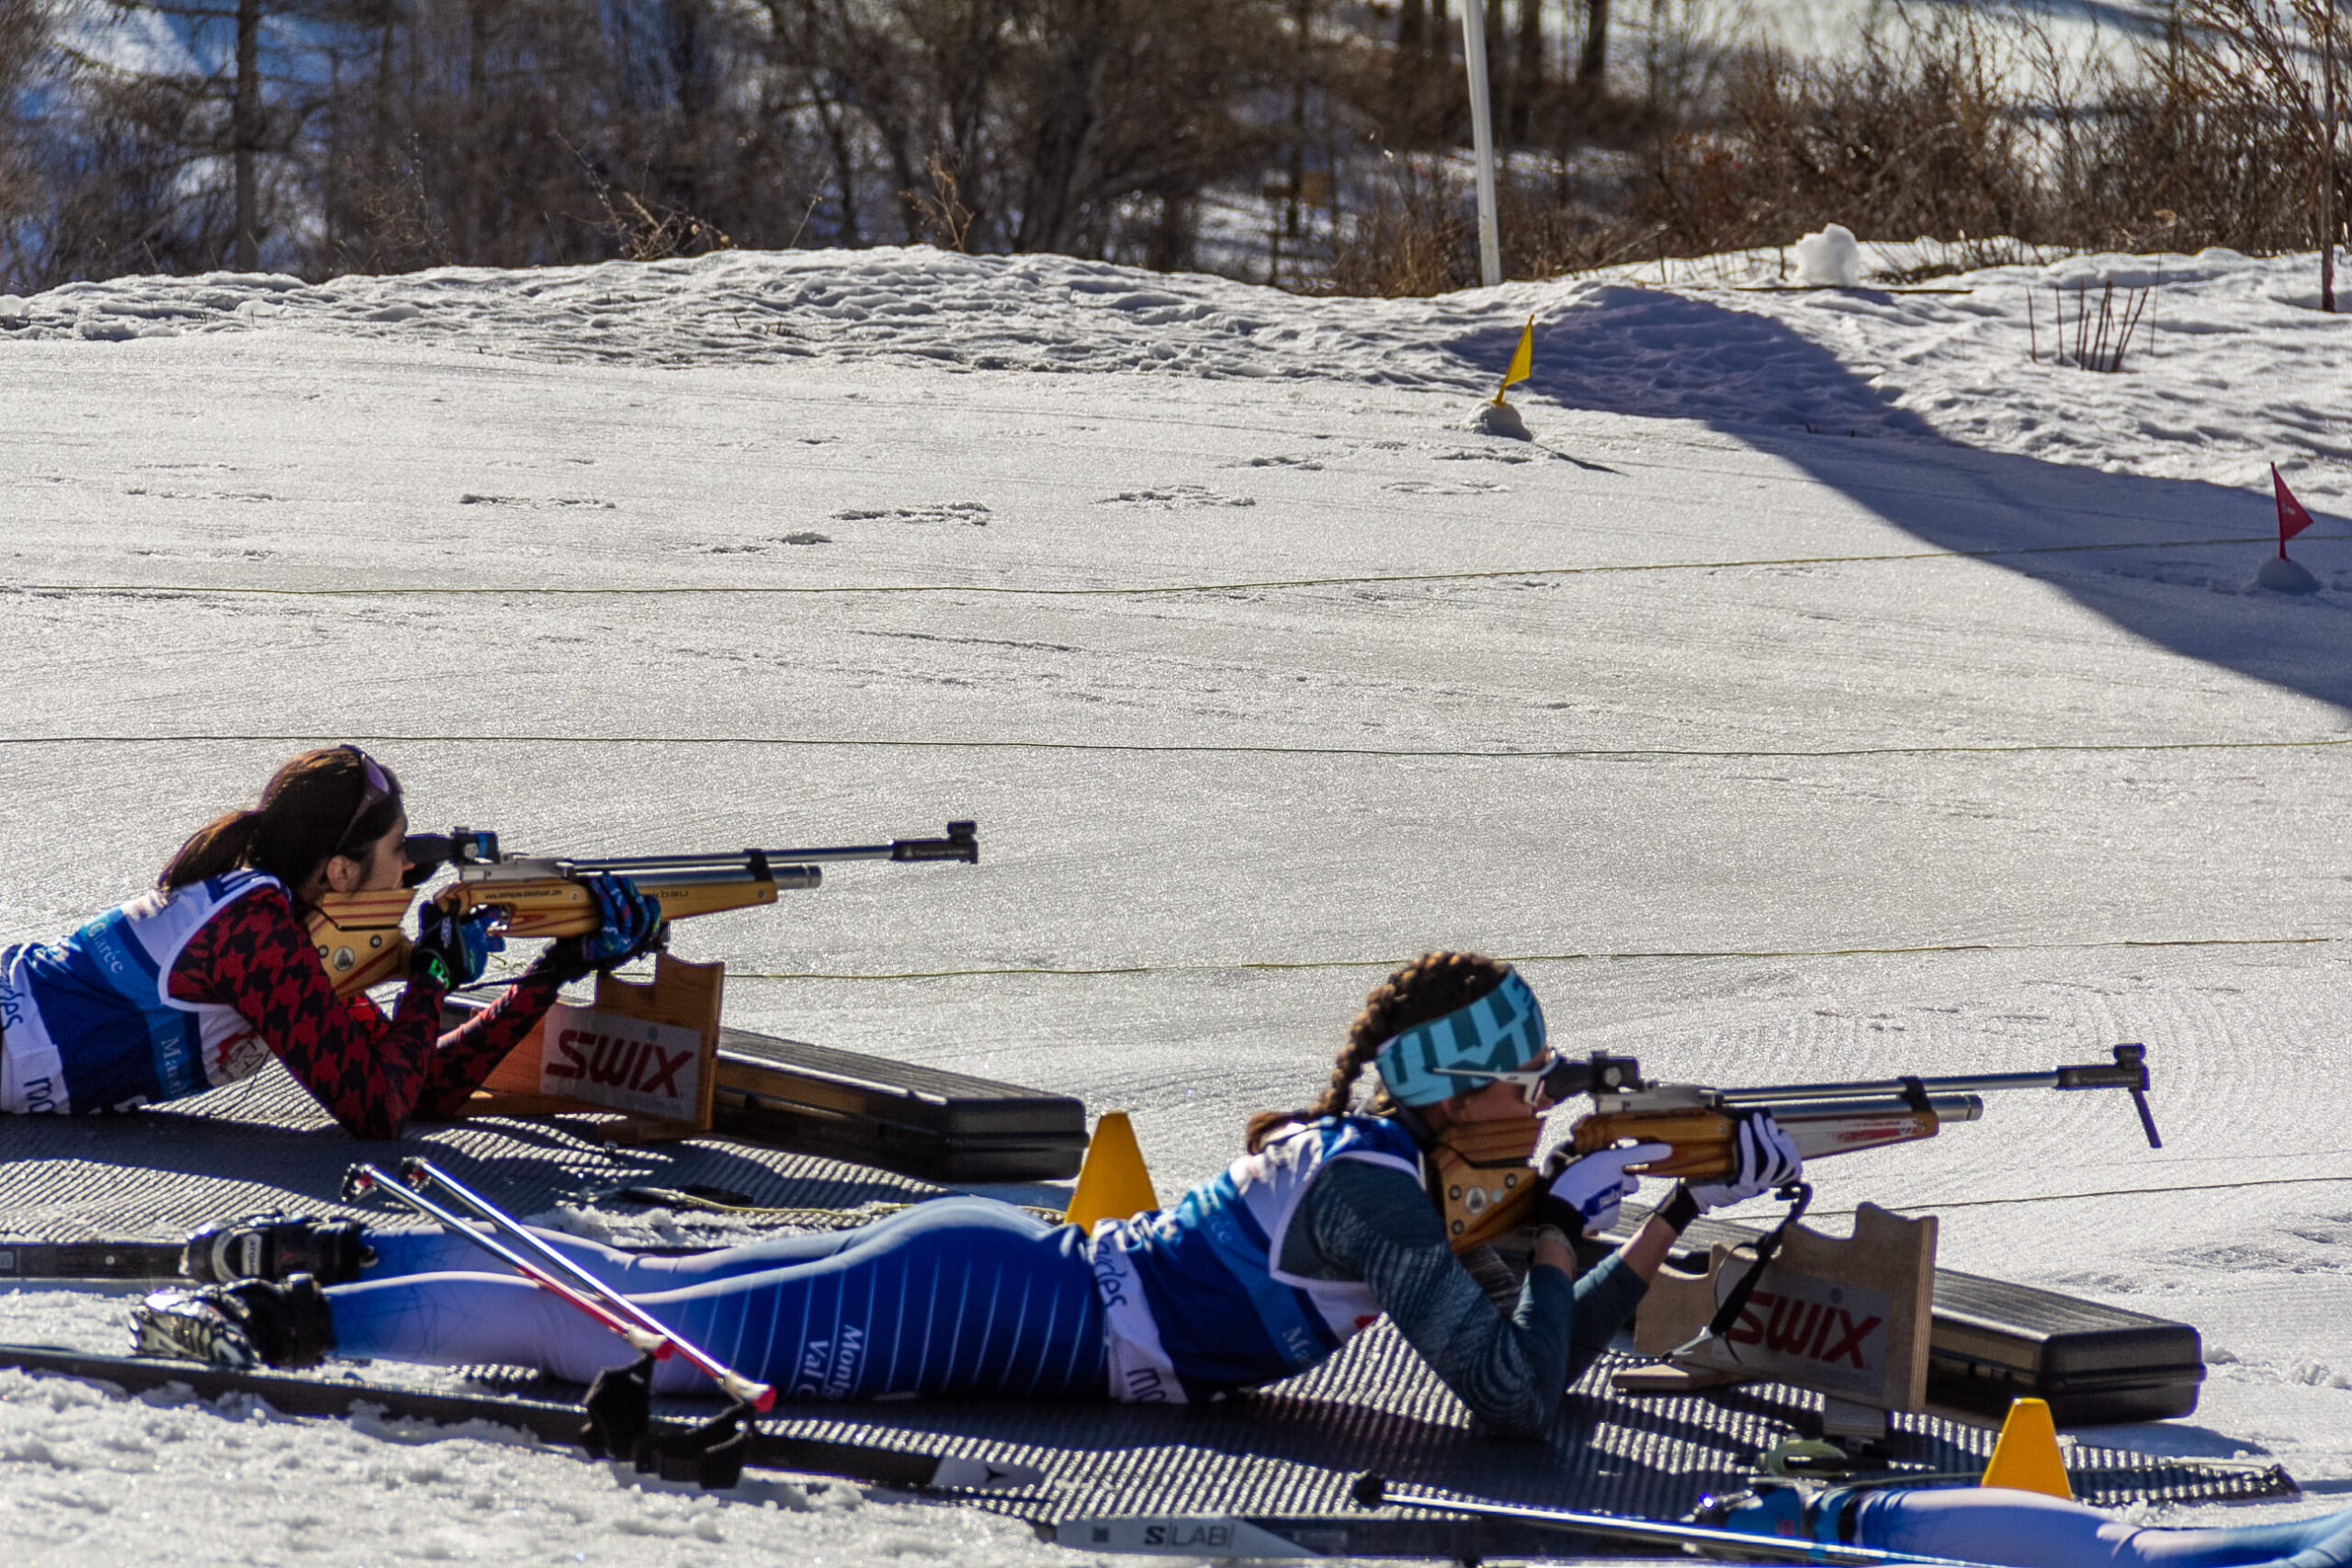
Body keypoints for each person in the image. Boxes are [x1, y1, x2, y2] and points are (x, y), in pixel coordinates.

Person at [130, 951, 1802, 1436]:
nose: (1540, 1098)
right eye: (1521, 1081)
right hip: (1006, 1300)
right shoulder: (1376, 1188)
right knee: (635, 1333)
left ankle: (323, 1258)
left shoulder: (1394, 1170)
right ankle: (297, 1311)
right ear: (1453, 1100)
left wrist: (1645, 1214)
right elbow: (1510, 1391)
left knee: (640, 1283)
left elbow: (1515, 1321)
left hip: (1016, 1276)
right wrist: (1587, 1221)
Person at [0, 746, 662, 1139]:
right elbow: (375, 1111)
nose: (408, 870)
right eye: (399, 850)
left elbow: (414, 1087)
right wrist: (429, 974)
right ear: (340, 871)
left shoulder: (293, 933)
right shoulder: (258, 933)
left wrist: (553, 970)